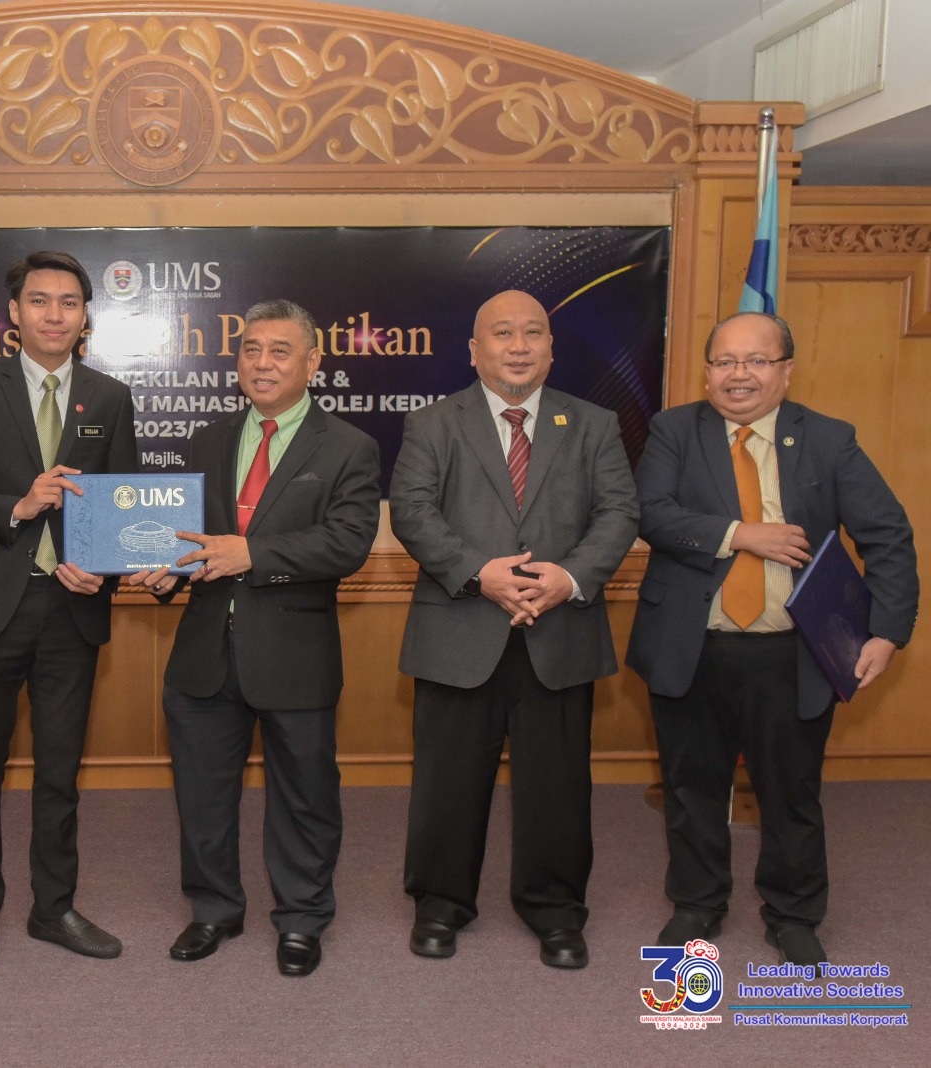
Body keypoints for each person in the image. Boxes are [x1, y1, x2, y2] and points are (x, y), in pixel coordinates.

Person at [627, 311, 916, 967]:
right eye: (725, 361)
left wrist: (886, 632)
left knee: (791, 794)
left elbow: (888, 537)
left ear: (785, 371)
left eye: (756, 361)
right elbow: (649, 513)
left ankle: (793, 913)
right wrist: (741, 535)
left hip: (792, 653)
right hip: (692, 646)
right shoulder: (674, 430)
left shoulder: (829, 439)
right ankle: (698, 902)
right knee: (691, 788)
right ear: (707, 372)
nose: (740, 375)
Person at [129, 300, 380, 978]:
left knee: (304, 795)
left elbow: (348, 543)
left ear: (312, 362)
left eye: (279, 351)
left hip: (295, 655)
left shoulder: (348, 446)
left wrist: (253, 553)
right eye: (250, 349)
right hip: (204, 651)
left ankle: (301, 918)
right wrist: (168, 573)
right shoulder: (208, 439)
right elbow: (191, 538)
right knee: (202, 794)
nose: (262, 363)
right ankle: (214, 908)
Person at [389, 289, 638, 969]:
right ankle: (440, 905)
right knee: (447, 782)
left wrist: (569, 578)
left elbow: (619, 512)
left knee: (558, 785)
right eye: (503, 333)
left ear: (552, 349)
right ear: (475, 350)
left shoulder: (593, 424)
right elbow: (412, 511)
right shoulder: (433, 423)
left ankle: (555, 911)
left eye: (533, 333)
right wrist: (480, 573)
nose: (519, 346)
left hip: (559, 629)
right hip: (460, 627)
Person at [0, 250, 137, 980]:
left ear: (85, 317)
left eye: (69, 302)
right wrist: (16, 505)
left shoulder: (109, 397)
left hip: (72, 610)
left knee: (59, 773)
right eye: (40, 301)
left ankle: (54, 908)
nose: (54, 314)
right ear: (14, 313)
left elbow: (123, 505)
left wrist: (103, 568)